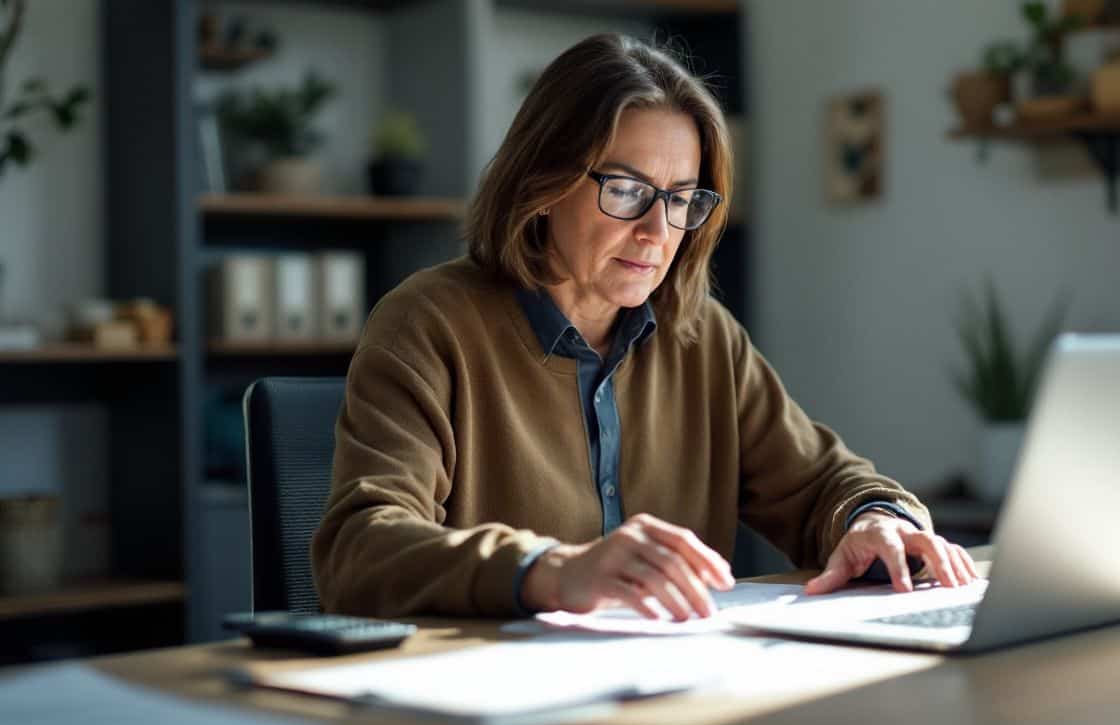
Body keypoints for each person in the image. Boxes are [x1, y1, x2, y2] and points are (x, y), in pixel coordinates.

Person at [312, 33, 977, 621]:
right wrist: (550, 570)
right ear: (543, 185)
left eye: (682, 199)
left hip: (675, 696)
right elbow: (360, 548)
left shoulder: (703, 337)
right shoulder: (429, 323)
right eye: (627, 190)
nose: (659, 232)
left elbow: (822, 484)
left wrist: (876, 520)